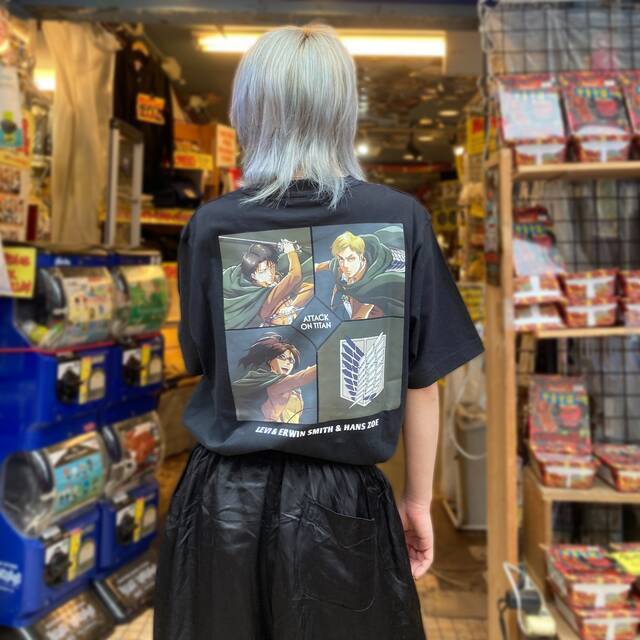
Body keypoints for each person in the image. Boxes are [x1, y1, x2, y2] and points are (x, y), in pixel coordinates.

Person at [153, 23, 484, 640]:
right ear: (342, 110)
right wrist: (417, 501)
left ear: (249, 109)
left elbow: (202, 360)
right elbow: (422, 381)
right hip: (346, 506)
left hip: (225, 503)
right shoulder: (401, 218)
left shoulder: (211, 225)